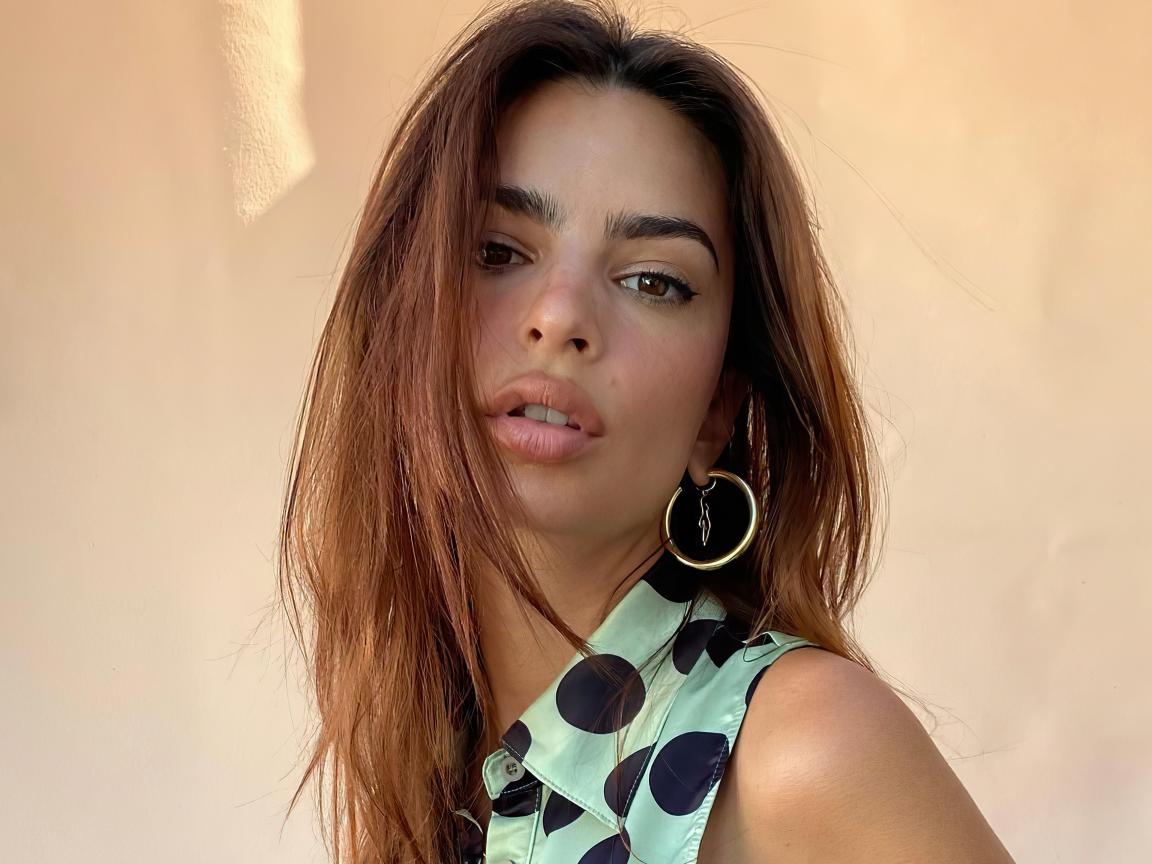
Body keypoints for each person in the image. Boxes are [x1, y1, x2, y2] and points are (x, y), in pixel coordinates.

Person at [276, 1, 1017, 861]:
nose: (560, 316)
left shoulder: (802, 751)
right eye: (497, 251)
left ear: (718, 409)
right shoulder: (434, 765)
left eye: (654, 281)